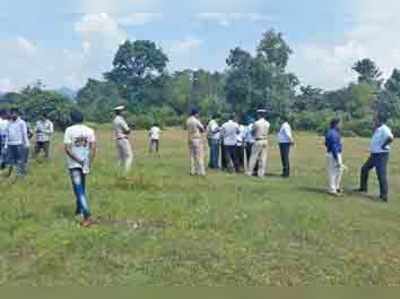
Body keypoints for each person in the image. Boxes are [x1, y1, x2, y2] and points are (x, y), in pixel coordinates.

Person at [64, 110, 96, 227]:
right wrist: (88, 162)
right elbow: (93, 148)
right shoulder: (90, 130)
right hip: (85, 164)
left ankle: (87, 215)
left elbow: (67, 149)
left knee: (79, 190)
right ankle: (79, 210)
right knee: (81, 187)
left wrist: (78, 161)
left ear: (72, 119)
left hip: (74, 165)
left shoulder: (69, 130)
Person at [357, 116, 394, 202]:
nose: (373, 122)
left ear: (380, 121)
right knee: (364, 169)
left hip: (381, 155)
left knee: (381, 174)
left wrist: (383, 146)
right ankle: (363, 188)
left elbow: (390, 138)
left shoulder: (385, 129)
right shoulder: (378, 129)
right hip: (374, 155)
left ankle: (384, 196)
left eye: (375, 120)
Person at [5, 109, 30, 179]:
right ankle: (10, 174)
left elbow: (24, 133)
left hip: (19, 143)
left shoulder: (22, 122)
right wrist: (6, 145)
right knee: (11, 160)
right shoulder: (9, 123)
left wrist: (27, 143)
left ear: (17, 114)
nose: (13, 115)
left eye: (14, 113)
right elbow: (7, 134)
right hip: (10, 144)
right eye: (11, 113)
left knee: (20, 160)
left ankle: (21, 175)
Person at [247, 109, 270, 178]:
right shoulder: (267, 123)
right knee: (263, 158)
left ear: (259, 115)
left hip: (258, 140)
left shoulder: (256, 123)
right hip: (265, 140)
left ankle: (250, 172)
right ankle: (261, 173)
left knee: (253, 156)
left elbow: (252, 131)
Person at [325, 119, 344, 196]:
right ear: (336, 124)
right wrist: (336, 157)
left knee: (339, 171)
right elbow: (333, 146)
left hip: (335, 153)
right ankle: (332, 189)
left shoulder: (334, 133)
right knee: (333, 172)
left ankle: (336, 187)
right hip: (334, 154)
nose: (341, 126)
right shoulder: (332, 133)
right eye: (340, 124)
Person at [113, 106, 133, 175]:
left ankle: (117, 171)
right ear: (121, 112)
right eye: (123, 111)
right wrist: (130, 128)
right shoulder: (121, 120)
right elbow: (127, 130)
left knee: (120, 158)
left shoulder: (115, 119)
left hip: (118, 139)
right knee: (129, 156)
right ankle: (126, 172)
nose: (125, 112)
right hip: (123, 139)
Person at [186, 108, 206, 176]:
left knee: (191, 156)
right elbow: (202, 129)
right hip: (196, 138)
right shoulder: (196, 121)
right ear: (196, 113)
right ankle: (201, 171)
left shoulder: (188, 120)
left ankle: (192, 171)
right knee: (199, 155)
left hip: (190, 138)